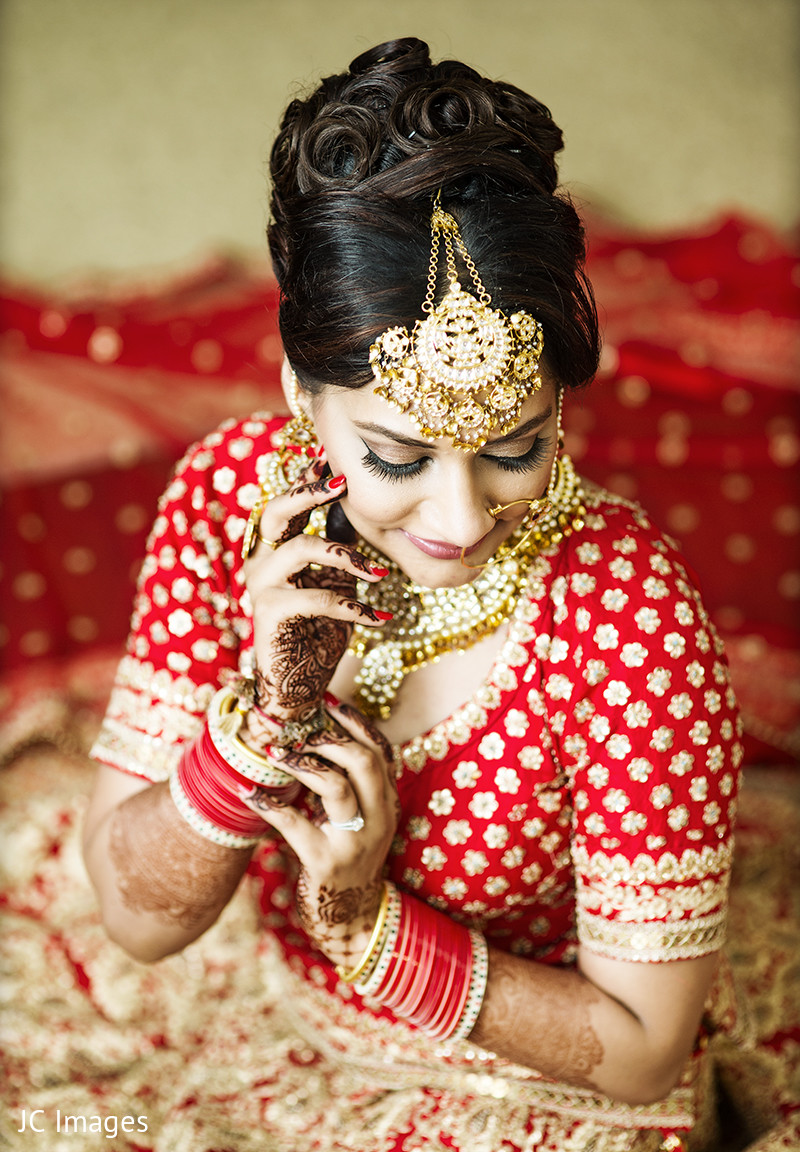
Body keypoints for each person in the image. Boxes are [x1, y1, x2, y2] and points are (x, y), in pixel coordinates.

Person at [83, 37, 742, 1152]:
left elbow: (639, 1050)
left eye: (514, 446)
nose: (458, 519)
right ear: (299, 392)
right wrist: (262, 721)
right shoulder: (234, 500)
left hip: (524, 1085)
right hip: (257, 1020)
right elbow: (134, 925)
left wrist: (367, 927)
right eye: (394, 458)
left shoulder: (627, 614)